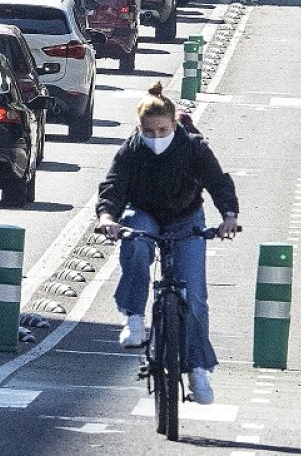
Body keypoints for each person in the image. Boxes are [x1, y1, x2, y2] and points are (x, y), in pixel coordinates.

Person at [96, 82, 239, 405]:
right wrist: (107, 217)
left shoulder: (194, 148)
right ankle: (134, 318)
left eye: (163, 130)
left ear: (175, 125)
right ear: (139, 128)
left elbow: (217, 182)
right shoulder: (131, 150)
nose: (157, 138)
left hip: (186, 217)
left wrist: (228, 215)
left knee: (196, 296)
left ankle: (198, 370)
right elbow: (114, 185)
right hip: (145, 212)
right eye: (150, 132)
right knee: (135, 243)